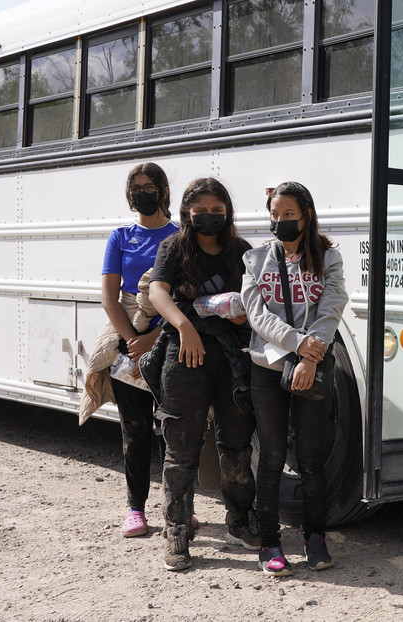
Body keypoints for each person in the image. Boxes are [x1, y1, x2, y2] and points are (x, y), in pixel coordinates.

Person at [148, 177, 258, 571]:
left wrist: (246, 312)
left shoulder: (242, 251)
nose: (208, 217)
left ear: (227, 212)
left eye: (217, 210)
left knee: (237, 445)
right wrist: (185, 326)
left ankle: (240, 522)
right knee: (181, 447)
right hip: (186, 354)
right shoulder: (174, 247)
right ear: (187, 213)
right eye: (200, 212)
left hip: (233, 357)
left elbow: (256, 299)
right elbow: (157, 292)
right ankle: (176, 529)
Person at [242, 182, 348, 576]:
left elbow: (333, 304)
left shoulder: (328, 258)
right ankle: (270, 543)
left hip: (312, 367)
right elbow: (256, 314)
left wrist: (311, 355)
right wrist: (300, 344)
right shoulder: (255, 260)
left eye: (288, 214)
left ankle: (315, 538)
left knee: (310, 458)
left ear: (305, 214)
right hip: (267, 367)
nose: (281, 221)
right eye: (275, 214)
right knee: (270, 457)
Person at [82, 162, 179, 538]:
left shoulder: (179, 235)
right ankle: (136, 510)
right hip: (129, 342)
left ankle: (178, 508)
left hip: (171, 341)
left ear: (163, 191)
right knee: (135, 429)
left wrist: (155, 340)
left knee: (174, 430)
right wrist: (132, 342)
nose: (144, 192)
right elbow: (109, 297)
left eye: (150, 186)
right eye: (137, 187)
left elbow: (188, 296)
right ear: (129, 194)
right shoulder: (120, 236)